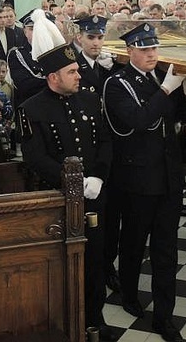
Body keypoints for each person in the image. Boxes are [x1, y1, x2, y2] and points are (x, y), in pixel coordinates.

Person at [19, 17, 120, 342]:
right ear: (53, 77)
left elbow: (105, 140)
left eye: (77, 70)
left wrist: (99, 177)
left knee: (96, 260)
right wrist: (72, 182)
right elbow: (35, 159)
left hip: (95, 196)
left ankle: (95, 318)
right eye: (72, 72)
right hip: (57, 199)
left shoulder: (89, 98)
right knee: (61, 266)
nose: (79, 75)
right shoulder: (30, 109)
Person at [103, 23, 186, 342]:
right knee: (132, 243)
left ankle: (164, 317)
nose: (151, 54)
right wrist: (168, 89)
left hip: (169, 177)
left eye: (154, 49)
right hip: (137, 178)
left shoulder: (162, 77)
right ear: (129, 51)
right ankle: (128, 295)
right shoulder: (117, 84)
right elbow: (139, 120)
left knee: (166, 250)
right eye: (144, 50)